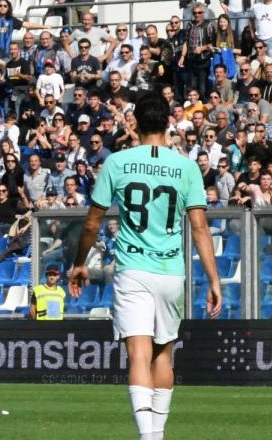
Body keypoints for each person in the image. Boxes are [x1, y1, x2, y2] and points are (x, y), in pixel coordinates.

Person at [68, 92, 221, 440]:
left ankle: (147, 437)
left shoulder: (117, 163)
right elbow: (199, 228)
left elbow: (92, 223)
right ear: (168, 122)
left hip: (133, 268)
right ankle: (158, 435)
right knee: (163, 354)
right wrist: (214, 279)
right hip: (171, 272)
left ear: (134, 122)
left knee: (138, 353)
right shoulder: (186, 167)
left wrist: (80, 263)